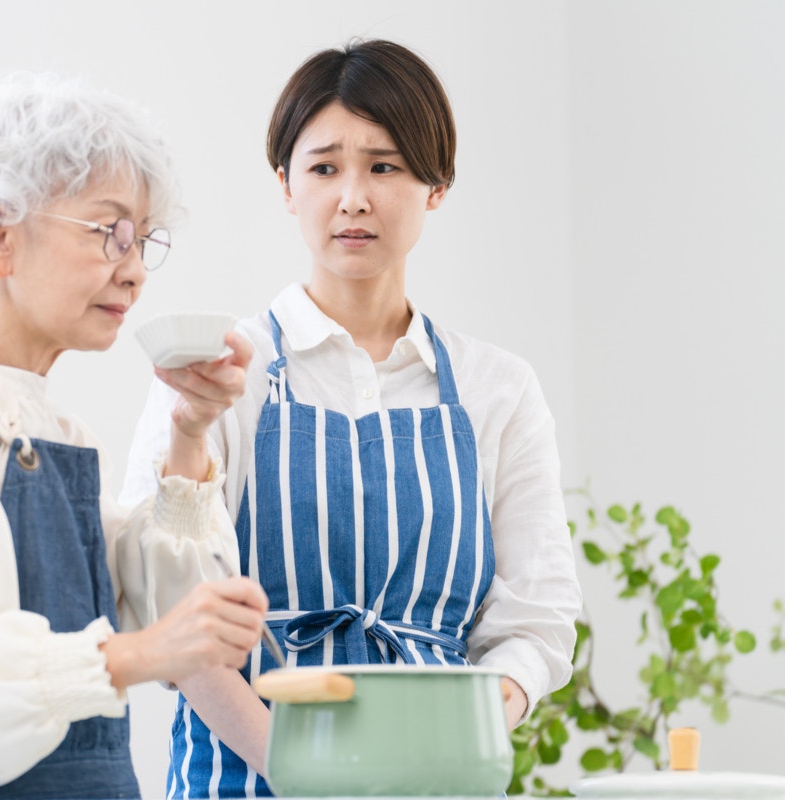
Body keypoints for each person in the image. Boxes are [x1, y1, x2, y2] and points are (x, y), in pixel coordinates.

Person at [120, 39, 583, 798]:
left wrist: (454, 748)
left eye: (385, 166)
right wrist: (302, 768)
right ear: (285, 184)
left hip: (441, 779)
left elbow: (536, 619)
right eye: (325, 167)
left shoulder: (497, 389)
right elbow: (167, 603)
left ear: (437, 185)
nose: (354, 197)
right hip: (246, 770)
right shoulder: (217, 372)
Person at [0, 72, 268, 800]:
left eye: (142, 241)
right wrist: (144, 652)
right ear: (0, 237)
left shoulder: (52, 428)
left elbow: (160, 604)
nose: (133, 272)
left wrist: (189, 430)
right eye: (108, 234)